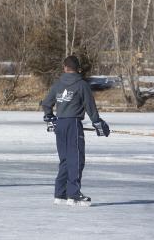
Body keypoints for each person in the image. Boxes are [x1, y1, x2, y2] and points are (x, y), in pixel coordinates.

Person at [41, 55, 110, 206]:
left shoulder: (58, 85)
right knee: (76, 159)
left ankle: (60, 194)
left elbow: (46, 103)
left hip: (60, 125)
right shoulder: (81, 85)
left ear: (65, 68)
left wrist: (50, 118)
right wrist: (98, 123)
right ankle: (74, 194)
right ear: (78, 69)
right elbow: (90, 107)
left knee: (65, 159)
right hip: (73, 125)